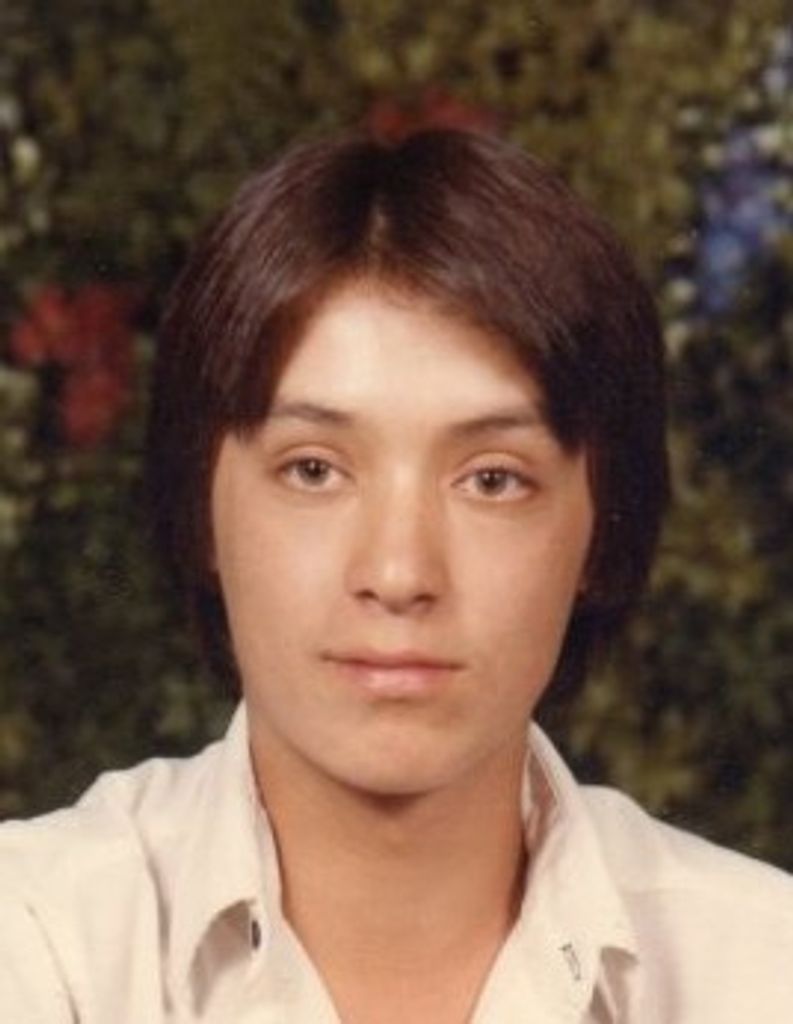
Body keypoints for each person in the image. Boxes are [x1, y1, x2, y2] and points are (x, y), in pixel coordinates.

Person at [1, 128, 792, 1024]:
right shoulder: (36, 944)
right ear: (200, 505)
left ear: (602, 532)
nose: (398, 572)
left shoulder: (759, 972)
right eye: (313, 470)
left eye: (491, 480)